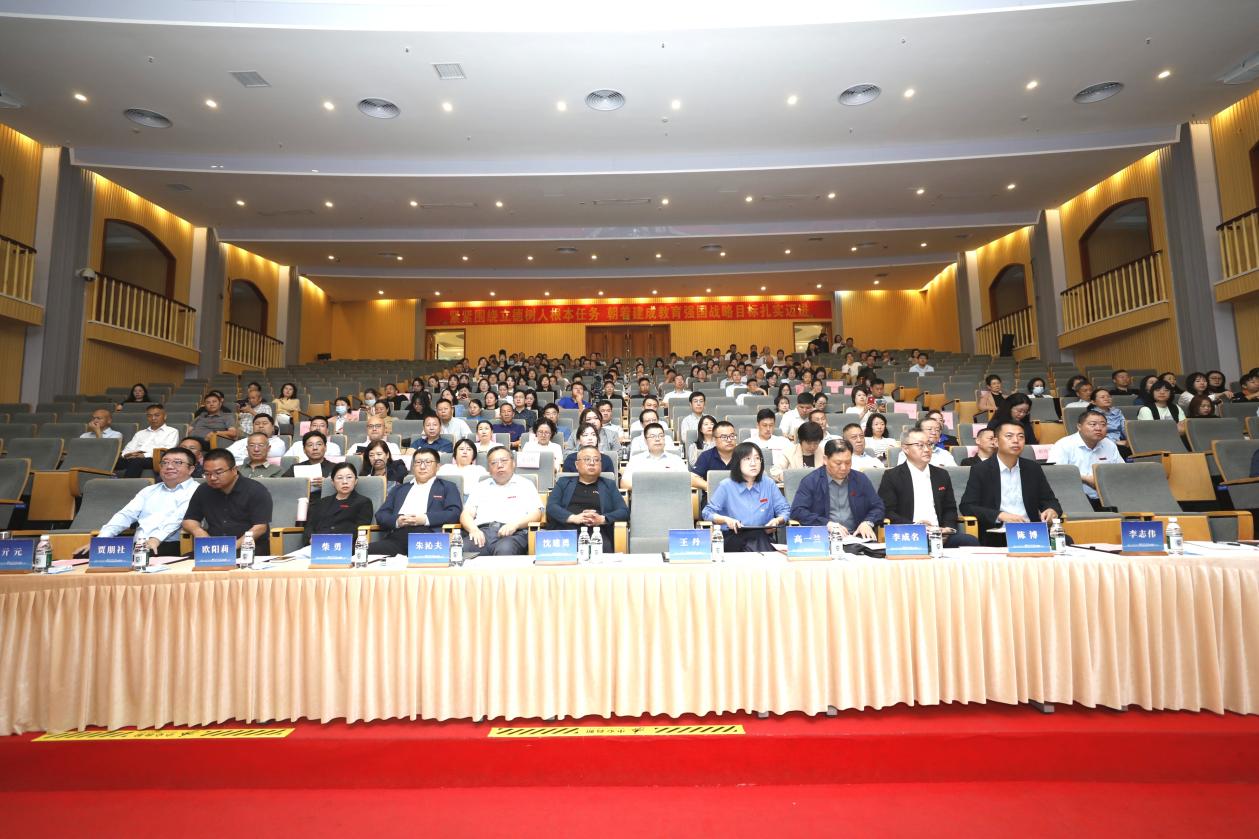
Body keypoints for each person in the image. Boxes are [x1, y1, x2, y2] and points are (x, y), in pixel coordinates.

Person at [74, 446, 199, 558]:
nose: (169, 466)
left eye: (177, 462)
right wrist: (101, 539)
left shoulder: (196, 490)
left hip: (169, 544)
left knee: (144, 556)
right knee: (84, 555)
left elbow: (177, 518)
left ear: (191, 469)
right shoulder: (149, 490)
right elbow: (126, 515)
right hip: (139, 545)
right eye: (165, 462)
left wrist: (155, 539)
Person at [960, 421, 1062, 546]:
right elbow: (967, 506)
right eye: (1009, 436)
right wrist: (1000, 515)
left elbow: (1050, 501)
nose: (1016, 440)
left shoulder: (1033, 469)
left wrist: (1052, 510)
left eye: (1021, 436)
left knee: (1065, 540)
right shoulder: (981, 470)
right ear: (996, 442)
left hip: (1031, 532)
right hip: (999, 534)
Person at [878, 429, 980, 548]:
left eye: (929, 444)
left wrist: (947, 529)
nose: (927, 449)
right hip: (910, 534)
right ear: (905, 448)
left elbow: (950, 508)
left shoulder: (942, 475)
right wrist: (916, 526)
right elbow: (887, 511)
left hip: (939, 534)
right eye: (920, 445)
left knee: (970, 541)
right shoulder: (892, 476)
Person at [369, 448, 464, 555]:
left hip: (428, 537)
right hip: (397, 537)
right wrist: (397, 521)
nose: (422, 466)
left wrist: (424, 519)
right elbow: (381, 515)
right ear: (413, 467)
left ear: (437, 466)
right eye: (418, 462)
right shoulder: (399, 489)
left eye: (428, 462)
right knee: (362, 552)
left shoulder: (447, 487)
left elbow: (454, 513)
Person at [702, 442, 791, 553]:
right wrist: (726, 520)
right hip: (733, 537)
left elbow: (784, 510)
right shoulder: (726, 486)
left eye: (757, 458)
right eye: (747, 459)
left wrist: (777, 520)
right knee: (755, 542)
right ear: (737, 462)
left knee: (757, 537)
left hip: (762, 536)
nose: (753, 463)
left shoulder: (768, 484)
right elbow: (707, 512)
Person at [788, 440, 885, 540]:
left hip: (857, 537)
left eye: (848, 462)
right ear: (825, 460)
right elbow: (797, 511)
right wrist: (826, 524)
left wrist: (868, 522)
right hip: (824, 538)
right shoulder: (811, 481)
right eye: (838, 463)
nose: (843, 468)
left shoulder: (860, 479)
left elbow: (878, 507)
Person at [459, 446, 544, 556]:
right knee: (460, 550)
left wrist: (515, 525)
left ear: (513, 463)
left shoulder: (525, 484)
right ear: (489, 469)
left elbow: (536, 514)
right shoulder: (480, 487)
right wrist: (473, 529)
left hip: (514, 533)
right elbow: (466, 514)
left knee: (505, 550)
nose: (499, 465)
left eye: (504, 460)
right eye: (494, 463)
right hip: (483, 533)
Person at [181, 449, 274, 547]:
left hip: (249, 547)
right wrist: (199, 532)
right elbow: (189, 520)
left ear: (234, 470)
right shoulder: (203, 490)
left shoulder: (255, 490)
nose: (212, 478)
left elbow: (260, 527)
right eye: (207, 474)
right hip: (213, 547)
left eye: (218, 472)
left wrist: (232, 547)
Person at [545, 444, 630, 547]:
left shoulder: (609, 484)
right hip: (566, 533)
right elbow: (551, 507)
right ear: (577, 464)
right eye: (587, 459)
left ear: (601, 464)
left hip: (598, 534)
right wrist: (573, 518)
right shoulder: (563, 483)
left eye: (596, 460)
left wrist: (602, 519)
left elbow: (624, 511)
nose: (592, 463)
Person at [1046, 408, 1122, 509]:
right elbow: (1054, 472)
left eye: (1103, 425)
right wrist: (1085, 479)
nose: (1099, 428)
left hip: (1108, 498)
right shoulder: (1064, 445)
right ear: (1079, 426)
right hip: (1074, 499)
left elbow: (1121, 470)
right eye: (1093, 424)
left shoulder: (1109, 444)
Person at [301, 463, 374, 547]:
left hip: (343, 547)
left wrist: (332, 540)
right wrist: (311, 539)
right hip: (316, 546)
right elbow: (310, 526)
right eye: (339, 478)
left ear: (356, 481)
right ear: (332, 482)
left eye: (349, 477)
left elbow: (360, 529)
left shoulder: (363, 502)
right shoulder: (321, 502)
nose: (345, 482)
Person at [621, 422, 700, 489]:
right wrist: (650, 487)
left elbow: (687, 480)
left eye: (661, 436)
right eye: (653, 436)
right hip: (645, 498)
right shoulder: (636, 459)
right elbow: (624, 483)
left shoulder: (676, 459)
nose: (657, 439)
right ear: (645, 440)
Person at [119, 404, 181, 478]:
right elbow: (129, 448)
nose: (153, 418)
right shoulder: (140, 433)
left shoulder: (172, 431)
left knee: (136, 462)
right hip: (134, 457)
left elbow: (168, 450)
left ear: (165, 416)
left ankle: (127, 484)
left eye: (157, 415)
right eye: (149, 416)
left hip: (155, 459)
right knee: (115, 461)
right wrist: (127, 455)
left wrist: (144, 455)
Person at [691, 420, 739, 489]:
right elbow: (693, 478)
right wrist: (712, 487)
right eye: (724, 437)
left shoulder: (744, 455)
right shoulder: (706, 456)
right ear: (714, 439)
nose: (729, 440)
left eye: (732, 436)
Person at [1090, 387, 1131, 455]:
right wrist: (1115, 442)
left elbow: (1124, 427)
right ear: (1093, 402)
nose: (1107, 399)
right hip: (1103, 442)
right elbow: (1096, 434)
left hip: (1121, 440)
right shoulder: (1091, 415)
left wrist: (1130, 440)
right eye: (1102, 397)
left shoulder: (1117, 411)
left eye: (1108, 396)